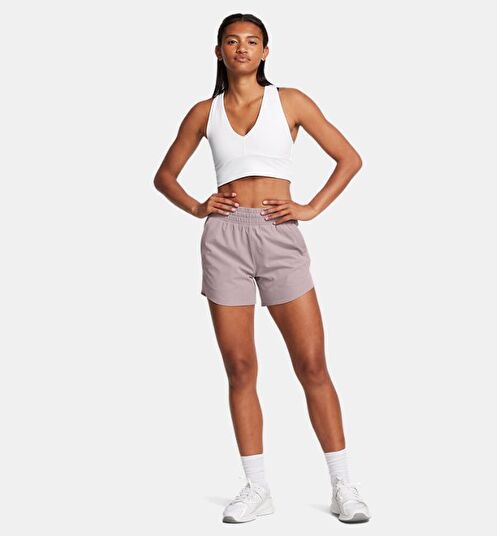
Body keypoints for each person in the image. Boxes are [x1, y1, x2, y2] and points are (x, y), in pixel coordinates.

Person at [154, 13, 371, 524]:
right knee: (240, 367)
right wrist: (197, 206)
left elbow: (349, 158)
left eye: (252, 41)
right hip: (224, 239)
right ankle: (257, 488)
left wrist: (311, 208)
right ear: (218, 51)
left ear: (266, 51)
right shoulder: (204, 112)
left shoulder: (290, 101)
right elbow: (164, 176)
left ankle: (342, 486)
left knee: (311, 364)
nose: (242, 48)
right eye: (232, 41)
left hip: (279, 234)